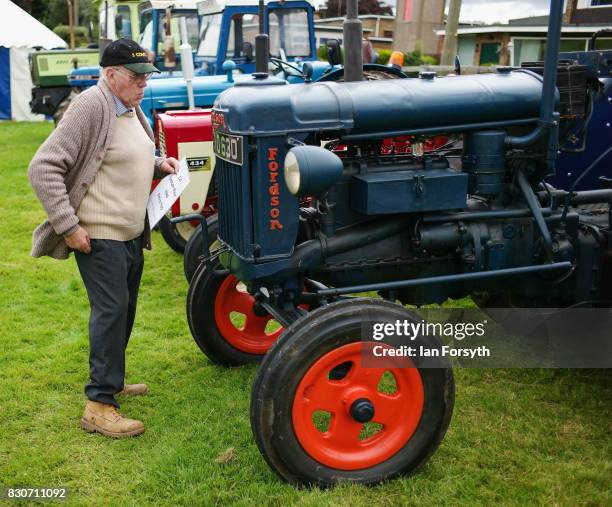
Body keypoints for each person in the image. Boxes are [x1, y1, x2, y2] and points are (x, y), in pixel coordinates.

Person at [28, 38, 180, 438]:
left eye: (147, 76)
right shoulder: (90, 106)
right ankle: (98, 405)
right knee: (110, 314)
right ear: (111, 75)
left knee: (123, 311)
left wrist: (159, 165)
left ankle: (112, 382)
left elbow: (125, 155)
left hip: (129, 234)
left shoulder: (128, 106)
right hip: (99, 236)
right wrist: (69, 226)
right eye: (136, 77)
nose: (143, 84)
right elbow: (42, 168)